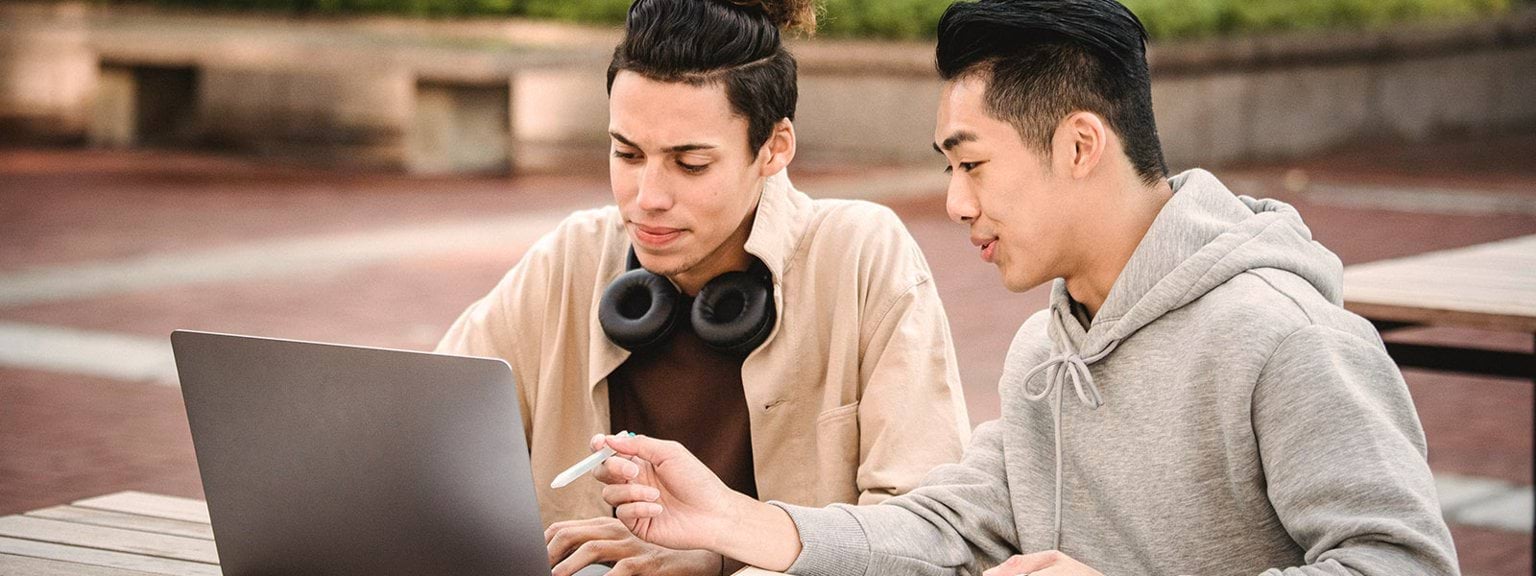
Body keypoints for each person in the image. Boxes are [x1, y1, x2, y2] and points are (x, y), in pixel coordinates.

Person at [586, 0, 1461, 574]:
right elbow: (946, 529)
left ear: (1080, 146)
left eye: (972, 164)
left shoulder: (1286, 337)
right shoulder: (1047, 350)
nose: (956, 202)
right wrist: (738, 524)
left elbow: (1406, 562)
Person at [435, 0, 971, 573]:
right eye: (627, 153)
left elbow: (928, 539)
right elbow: (422, 438)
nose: (647, 197)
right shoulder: (571, 256)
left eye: (689, 163)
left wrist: (719, 558)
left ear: (774, 148)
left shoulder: (862, 255)